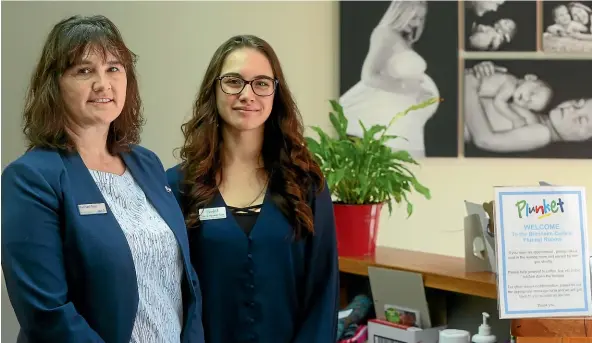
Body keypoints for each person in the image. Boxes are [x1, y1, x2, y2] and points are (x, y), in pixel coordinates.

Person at [1, 15, 204, 343]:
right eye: (84, 71)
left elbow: (185, 282)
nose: (103, 84)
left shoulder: (147, 163)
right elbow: (46, 312)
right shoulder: (31, 178)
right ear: (54, 84)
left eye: (113, 68)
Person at [166, 34, 339, 343]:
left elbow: (323, 292)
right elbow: (171, 295)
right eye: (234, 81)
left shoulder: (306, 185)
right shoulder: (178, 187)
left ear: (276, 93)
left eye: (261, 83)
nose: (247, 94)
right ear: (214, 90)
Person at [339, 0, 440, 158]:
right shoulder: (384, 34)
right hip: (391, 120)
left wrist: (420, 93)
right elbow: (369, 75)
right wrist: (407, 88)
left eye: (421, 18)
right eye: (414, 17)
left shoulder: (404, 40)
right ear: (401, 13)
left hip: (405, 122)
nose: (417, 23)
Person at [464, 61, 592, 153]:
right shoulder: (534, 108)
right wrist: (483, 70)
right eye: (577, 103)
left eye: (580, 119)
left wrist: (468, 87)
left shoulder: (542, 134)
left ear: (583, 138)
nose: (571, 109)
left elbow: (485, 140)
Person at [474, 66, 553, 129]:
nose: (526, 99)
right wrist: (516, 118)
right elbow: (498, 102)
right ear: (530, 78)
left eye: (528, 105)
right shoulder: (510, 83)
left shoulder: (510, 86)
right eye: (532, 93)